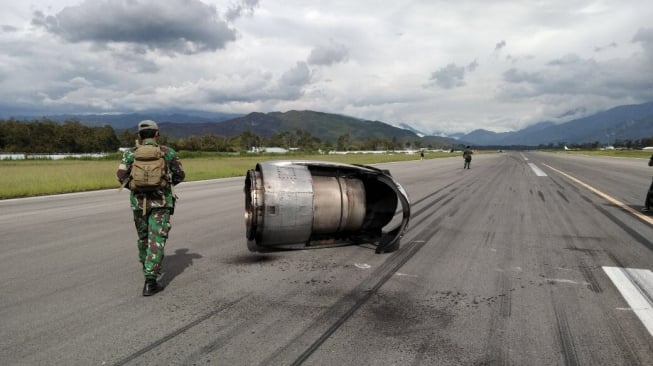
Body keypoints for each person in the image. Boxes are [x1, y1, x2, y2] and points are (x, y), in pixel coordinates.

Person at [117, 120, 185, 296]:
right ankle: (150, 280)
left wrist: (136, 189)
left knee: (144, 237)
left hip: (138, 203)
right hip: (161, 202)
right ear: (157, 134)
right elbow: (180, 175)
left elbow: (121, 176)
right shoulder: (168, 153)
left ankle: (147, 267)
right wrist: (163, 185)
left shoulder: (130, 154)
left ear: (139, 136)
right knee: (157, 239)